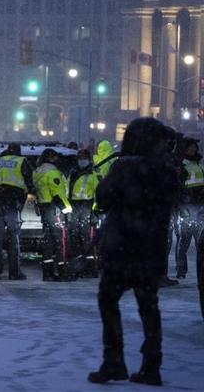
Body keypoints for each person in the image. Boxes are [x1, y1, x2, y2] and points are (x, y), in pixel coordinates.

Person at [88, 118, 180, 386]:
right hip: (151, 250)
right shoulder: (168, 172)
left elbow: (103, 199)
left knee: (108, 300)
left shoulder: (124, 168)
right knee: (149, 308)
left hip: (122, 248)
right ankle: (152, 365)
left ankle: (113, 361)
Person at [0, 143, 34, 280]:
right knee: (13, 238)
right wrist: (27, 196)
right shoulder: (21, 161)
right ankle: (14, 272)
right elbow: (30, 181)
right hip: (12, 204)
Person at [33, 148, 73, 281]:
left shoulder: (37, 172)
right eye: (56, 157)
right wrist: (66, 210)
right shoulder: (53, 173)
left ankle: (48, 272)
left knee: (48, 241)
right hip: (55, 208)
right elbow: (57, 194)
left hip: (44, 208)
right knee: (61, 240)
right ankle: (63, 271)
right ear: (51, 158)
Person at [68, 149, 100, 278]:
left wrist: (95, 212)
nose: (81, 160)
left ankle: (90, 268)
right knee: (74, 238)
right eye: (79, 158)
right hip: (74, 207)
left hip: (86, 206)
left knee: (86, 239)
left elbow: (99, 195)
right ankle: (78, 267)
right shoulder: (73, 173)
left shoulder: (93, 174)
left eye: (84, 158)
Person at [176, 138, 204, 279]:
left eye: (194, 147)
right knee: (185, 241)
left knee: (200, 241)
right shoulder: (182, 164)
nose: (193, 149)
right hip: (187, 206)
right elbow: (179, 187)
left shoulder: (199, 162)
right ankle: (181, 270)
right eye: (191, 147)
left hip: (200, 206)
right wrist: (182, 204)